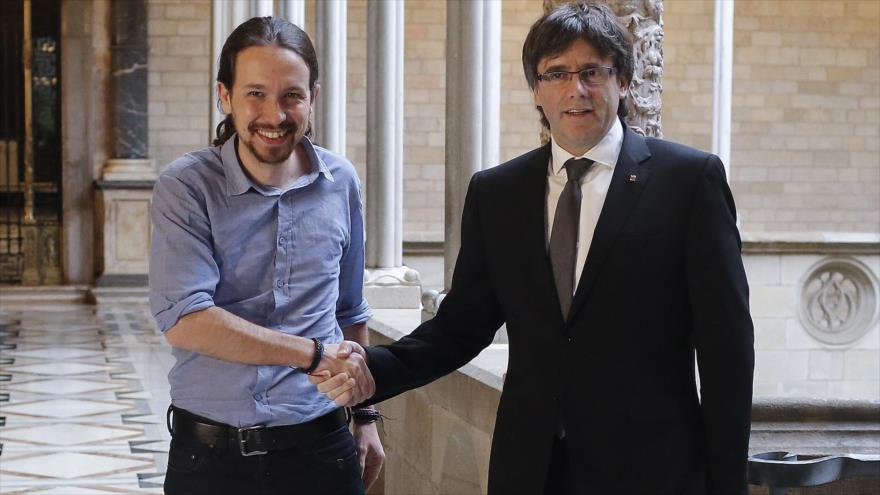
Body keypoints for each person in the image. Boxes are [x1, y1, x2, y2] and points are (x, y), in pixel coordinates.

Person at [315, 2, 755, 494]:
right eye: (557, 73)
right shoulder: (498, 193)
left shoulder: (689, 182)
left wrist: (727, 481)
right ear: (536, 90)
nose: (576, 89)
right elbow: (461, 327)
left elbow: (727, 349)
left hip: (652, 470)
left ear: (624, 81)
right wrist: (373, 371)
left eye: (593, 71)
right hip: (531, 468)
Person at [148, 16, 381, 495]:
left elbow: (350, 311)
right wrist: (311, 354)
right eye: (256, 93)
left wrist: (367, 416)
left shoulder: (341, 182)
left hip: (323, 452)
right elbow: (186, 318)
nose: (274, 115)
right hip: (210, 460)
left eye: (291, 96)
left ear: (313, 98)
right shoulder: (187, 186)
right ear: (225, 96)